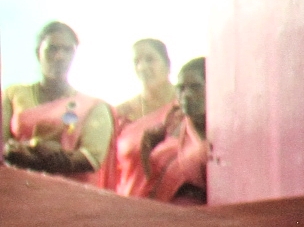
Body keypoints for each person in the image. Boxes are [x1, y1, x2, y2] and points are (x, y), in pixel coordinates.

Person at [4, 22, 112, 184]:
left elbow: (91, 159)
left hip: (65, 194)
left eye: (67, 50)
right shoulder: (13, 94)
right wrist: (33, 147)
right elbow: (3, 145)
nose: (60, 56)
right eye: (52, 49)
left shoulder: (93, 107)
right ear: (38, 53)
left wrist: (34, 158)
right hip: (16, 188)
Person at [103, 38, 183, 198]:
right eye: (137, 62)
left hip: (180, 204)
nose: (142, 67)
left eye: (150, 59)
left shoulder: (187, 106)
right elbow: (109, 171)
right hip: (132, 205)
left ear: (167, 65)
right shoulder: (121, 114)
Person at [138, 57, 210, 203]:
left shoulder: (224, 131)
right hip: (158, 207)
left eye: (195, 87)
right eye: (181, 88)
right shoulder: (173, 121)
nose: (186, 95)